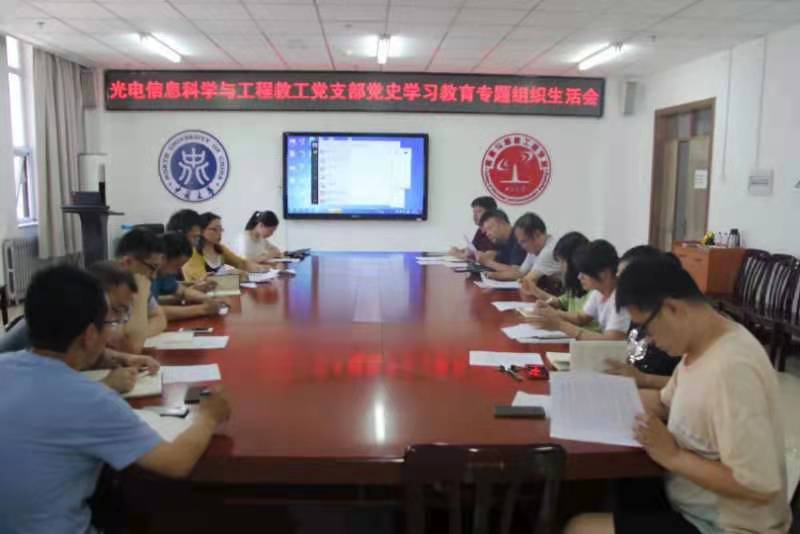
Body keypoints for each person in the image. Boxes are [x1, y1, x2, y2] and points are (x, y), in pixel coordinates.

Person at [565, 256, 791, 534]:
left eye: (646, 328)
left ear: (672, 308)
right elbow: (663, 402)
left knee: (580, 527)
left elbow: (759, 484)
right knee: (601, 490)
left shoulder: (732, 368)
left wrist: (672, 456)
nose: (648, 340)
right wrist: (592, 399)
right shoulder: (700, 347)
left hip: (724, 526)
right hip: (687, 498)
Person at [0, 265, 232, 534]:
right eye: (110, 322)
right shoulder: (90, 399)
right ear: (90, 335)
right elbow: (175, 463)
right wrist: (208, 416)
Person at [0, 261, 160, 395]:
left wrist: (124, 358)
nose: (115, 323)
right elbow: (41, 398)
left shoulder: (74, 320)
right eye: (115, 310)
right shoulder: (48, 325)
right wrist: (106, 386)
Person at [606, 246, 681, 389]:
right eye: (618, 278)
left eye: (624, 279)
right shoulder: (639, 314)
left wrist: (645, 379)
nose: (618, 286)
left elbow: (692, 384)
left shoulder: (676, 324)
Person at [526, 239, 629, 340]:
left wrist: (560, 325)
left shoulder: (621, 297)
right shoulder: (599, 292)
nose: (579, 277)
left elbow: (610, 342)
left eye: (584, 273)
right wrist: (552, 312)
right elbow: (581, 318)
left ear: (604, 273)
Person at [115, 229, 167, 352]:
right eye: (152, 268)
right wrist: (140, 295)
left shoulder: (136, 284)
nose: (154, 276)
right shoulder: (105, 289)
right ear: (128, 262)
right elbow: (132, 347)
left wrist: (140, 334)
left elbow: (160, 317)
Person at [154, 232, 225, 321]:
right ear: (162, 258)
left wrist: (208, 299)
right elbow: (151, 312)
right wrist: (203, 309)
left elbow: (183, 292)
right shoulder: (144, 276)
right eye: (176, 266)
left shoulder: (163, 273)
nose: (176, 272)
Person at [182, 212, 266, 283]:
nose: (219, 233)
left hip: (221, 293)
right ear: (201, 231)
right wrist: (231, 275)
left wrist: (261, 269)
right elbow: (205, 281)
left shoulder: (220, 249)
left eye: (220, 229)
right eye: (214, 229)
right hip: (200, 295)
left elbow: (241, 263)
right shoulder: (192, 253)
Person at [486, 212, 560, 282]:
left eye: (523, 241)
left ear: (536, 234)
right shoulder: (535, 250)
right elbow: (520, 273)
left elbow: (526, 281)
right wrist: (492, 275)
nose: (521, 247)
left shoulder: (548, 251)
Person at [165, 209, 215, 292]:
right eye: (195, 237)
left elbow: (172, 285)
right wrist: (194, 289)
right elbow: (155, 297)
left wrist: (197, 283)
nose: (196, 243)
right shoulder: (161, 259)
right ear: (180, 234)